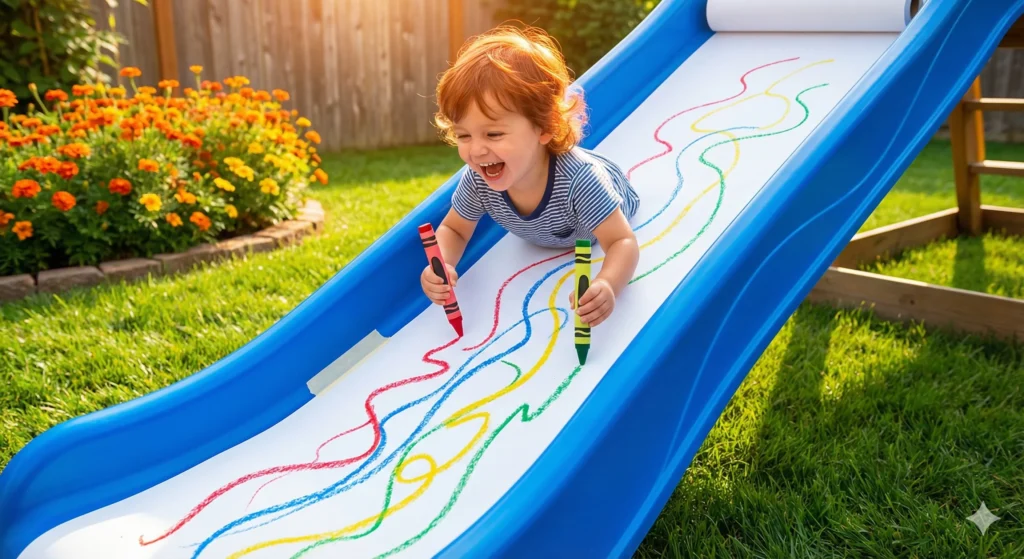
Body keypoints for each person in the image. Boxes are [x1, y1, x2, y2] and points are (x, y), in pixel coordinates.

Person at [420, 25, 640, 328]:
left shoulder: (582, 182)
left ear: (544, 127)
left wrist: (607, 284)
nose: (478, 150)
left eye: (493, 134)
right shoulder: (479, 180)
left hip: (608, 198)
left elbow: (622, 241)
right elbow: (455, 230)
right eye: (464, 135)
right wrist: (441, 264)